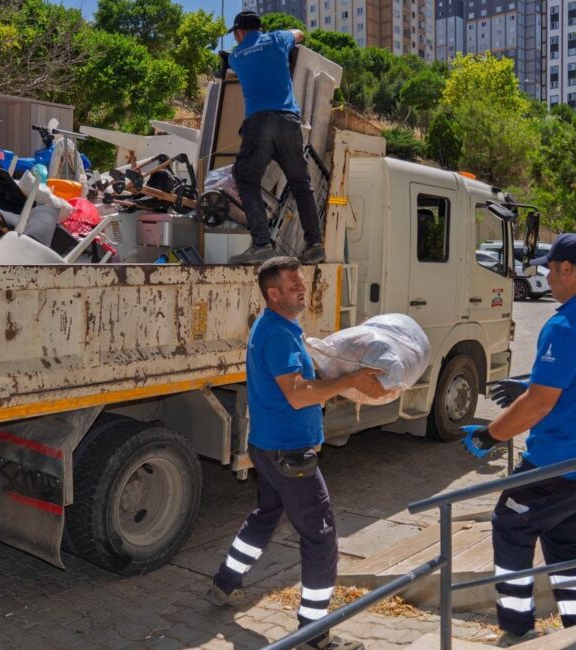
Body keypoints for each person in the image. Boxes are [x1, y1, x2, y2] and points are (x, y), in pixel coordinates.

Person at [459, 233, 576, 646]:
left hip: (565, 464)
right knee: (565, 544)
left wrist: (490, 435)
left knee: (510, 525)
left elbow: (539, 404)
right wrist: (529, 383)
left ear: (567, 270)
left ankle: (518, 629)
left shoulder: (564, 324)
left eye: (548, 268)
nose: (545, 276)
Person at [206, 256, 385, 650]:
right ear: (273, 294)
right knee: (321, 538)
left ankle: (224, 582)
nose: (303, 289)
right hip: (289, 453)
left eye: (301, 281)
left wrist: (337, 373)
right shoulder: (277, 335)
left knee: (267, 514)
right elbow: (298, 393)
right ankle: (314, 631)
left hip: (269, 446)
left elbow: (300, 381)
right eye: (293, 285)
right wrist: (350, 381)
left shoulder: (278, 327)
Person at [223, 12, 325, 265]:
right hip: (289, 123)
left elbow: (232, 67)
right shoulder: (278, 39)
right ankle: (315, 245)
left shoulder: (236, 56)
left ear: (238, 33)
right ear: (260, 28)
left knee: (246, 179)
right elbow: (299, 34)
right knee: (301, 184)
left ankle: (261, 245)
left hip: (259, 124)